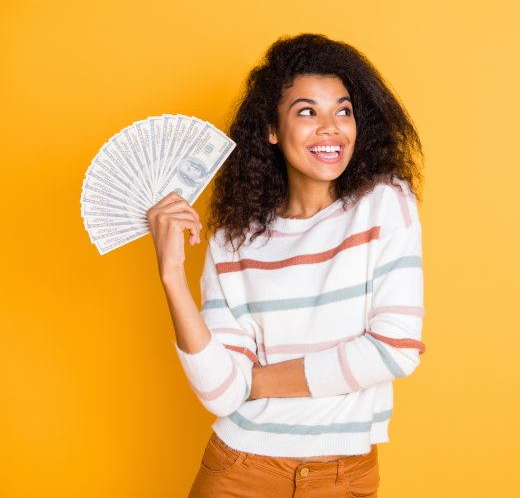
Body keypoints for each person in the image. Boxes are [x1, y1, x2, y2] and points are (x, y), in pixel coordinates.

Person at [146, 33, 425, 498]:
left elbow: (396, 348)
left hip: (345, 478)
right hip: (239, 470)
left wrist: (256, 381)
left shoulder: (385, 204)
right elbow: (220, 393)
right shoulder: (232, 242)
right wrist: (171, 273)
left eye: (343, 110)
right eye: (307, 112)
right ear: (272, 130)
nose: (331, 127)